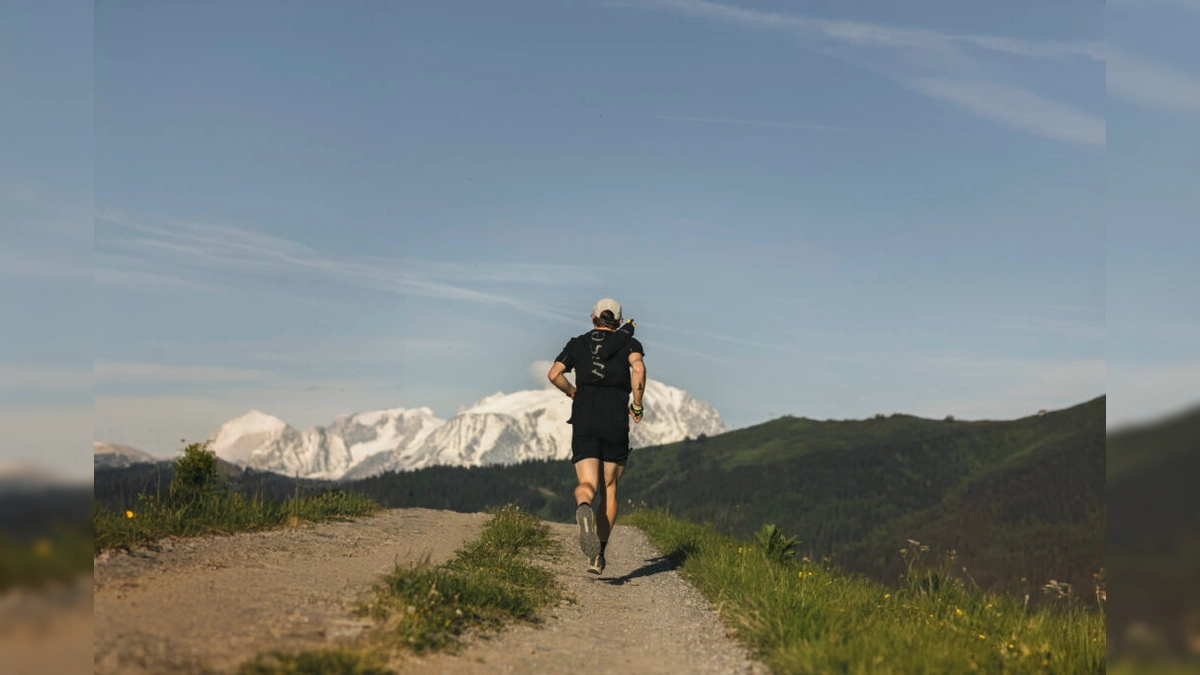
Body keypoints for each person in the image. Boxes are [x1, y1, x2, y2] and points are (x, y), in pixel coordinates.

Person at [547, 298, 645, 574]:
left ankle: (583, 506)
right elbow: (638, 369)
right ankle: (598, 555)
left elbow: (554, 374)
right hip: (615, 420)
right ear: (619, 320)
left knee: (587, 484)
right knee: (610, 488)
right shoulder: (629, 343)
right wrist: (637, 404)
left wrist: (572, 391)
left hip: (585, 418)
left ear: (593, 318)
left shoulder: (578, 343)